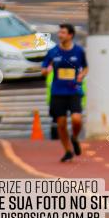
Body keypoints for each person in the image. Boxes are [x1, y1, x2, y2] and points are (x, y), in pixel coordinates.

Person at [41, 23, 88, 162]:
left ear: (70, 35)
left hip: (74, 91)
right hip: (58, 92)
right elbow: (43, 68)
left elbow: (85, 67)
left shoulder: (79, 51)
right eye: (59, 32)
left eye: (63, 33)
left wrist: (82, 75)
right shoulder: (53, 51)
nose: (60, 35)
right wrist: (46, 71)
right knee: (61, 124)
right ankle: (68, 150)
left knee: (76, 119)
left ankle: (74, 138)